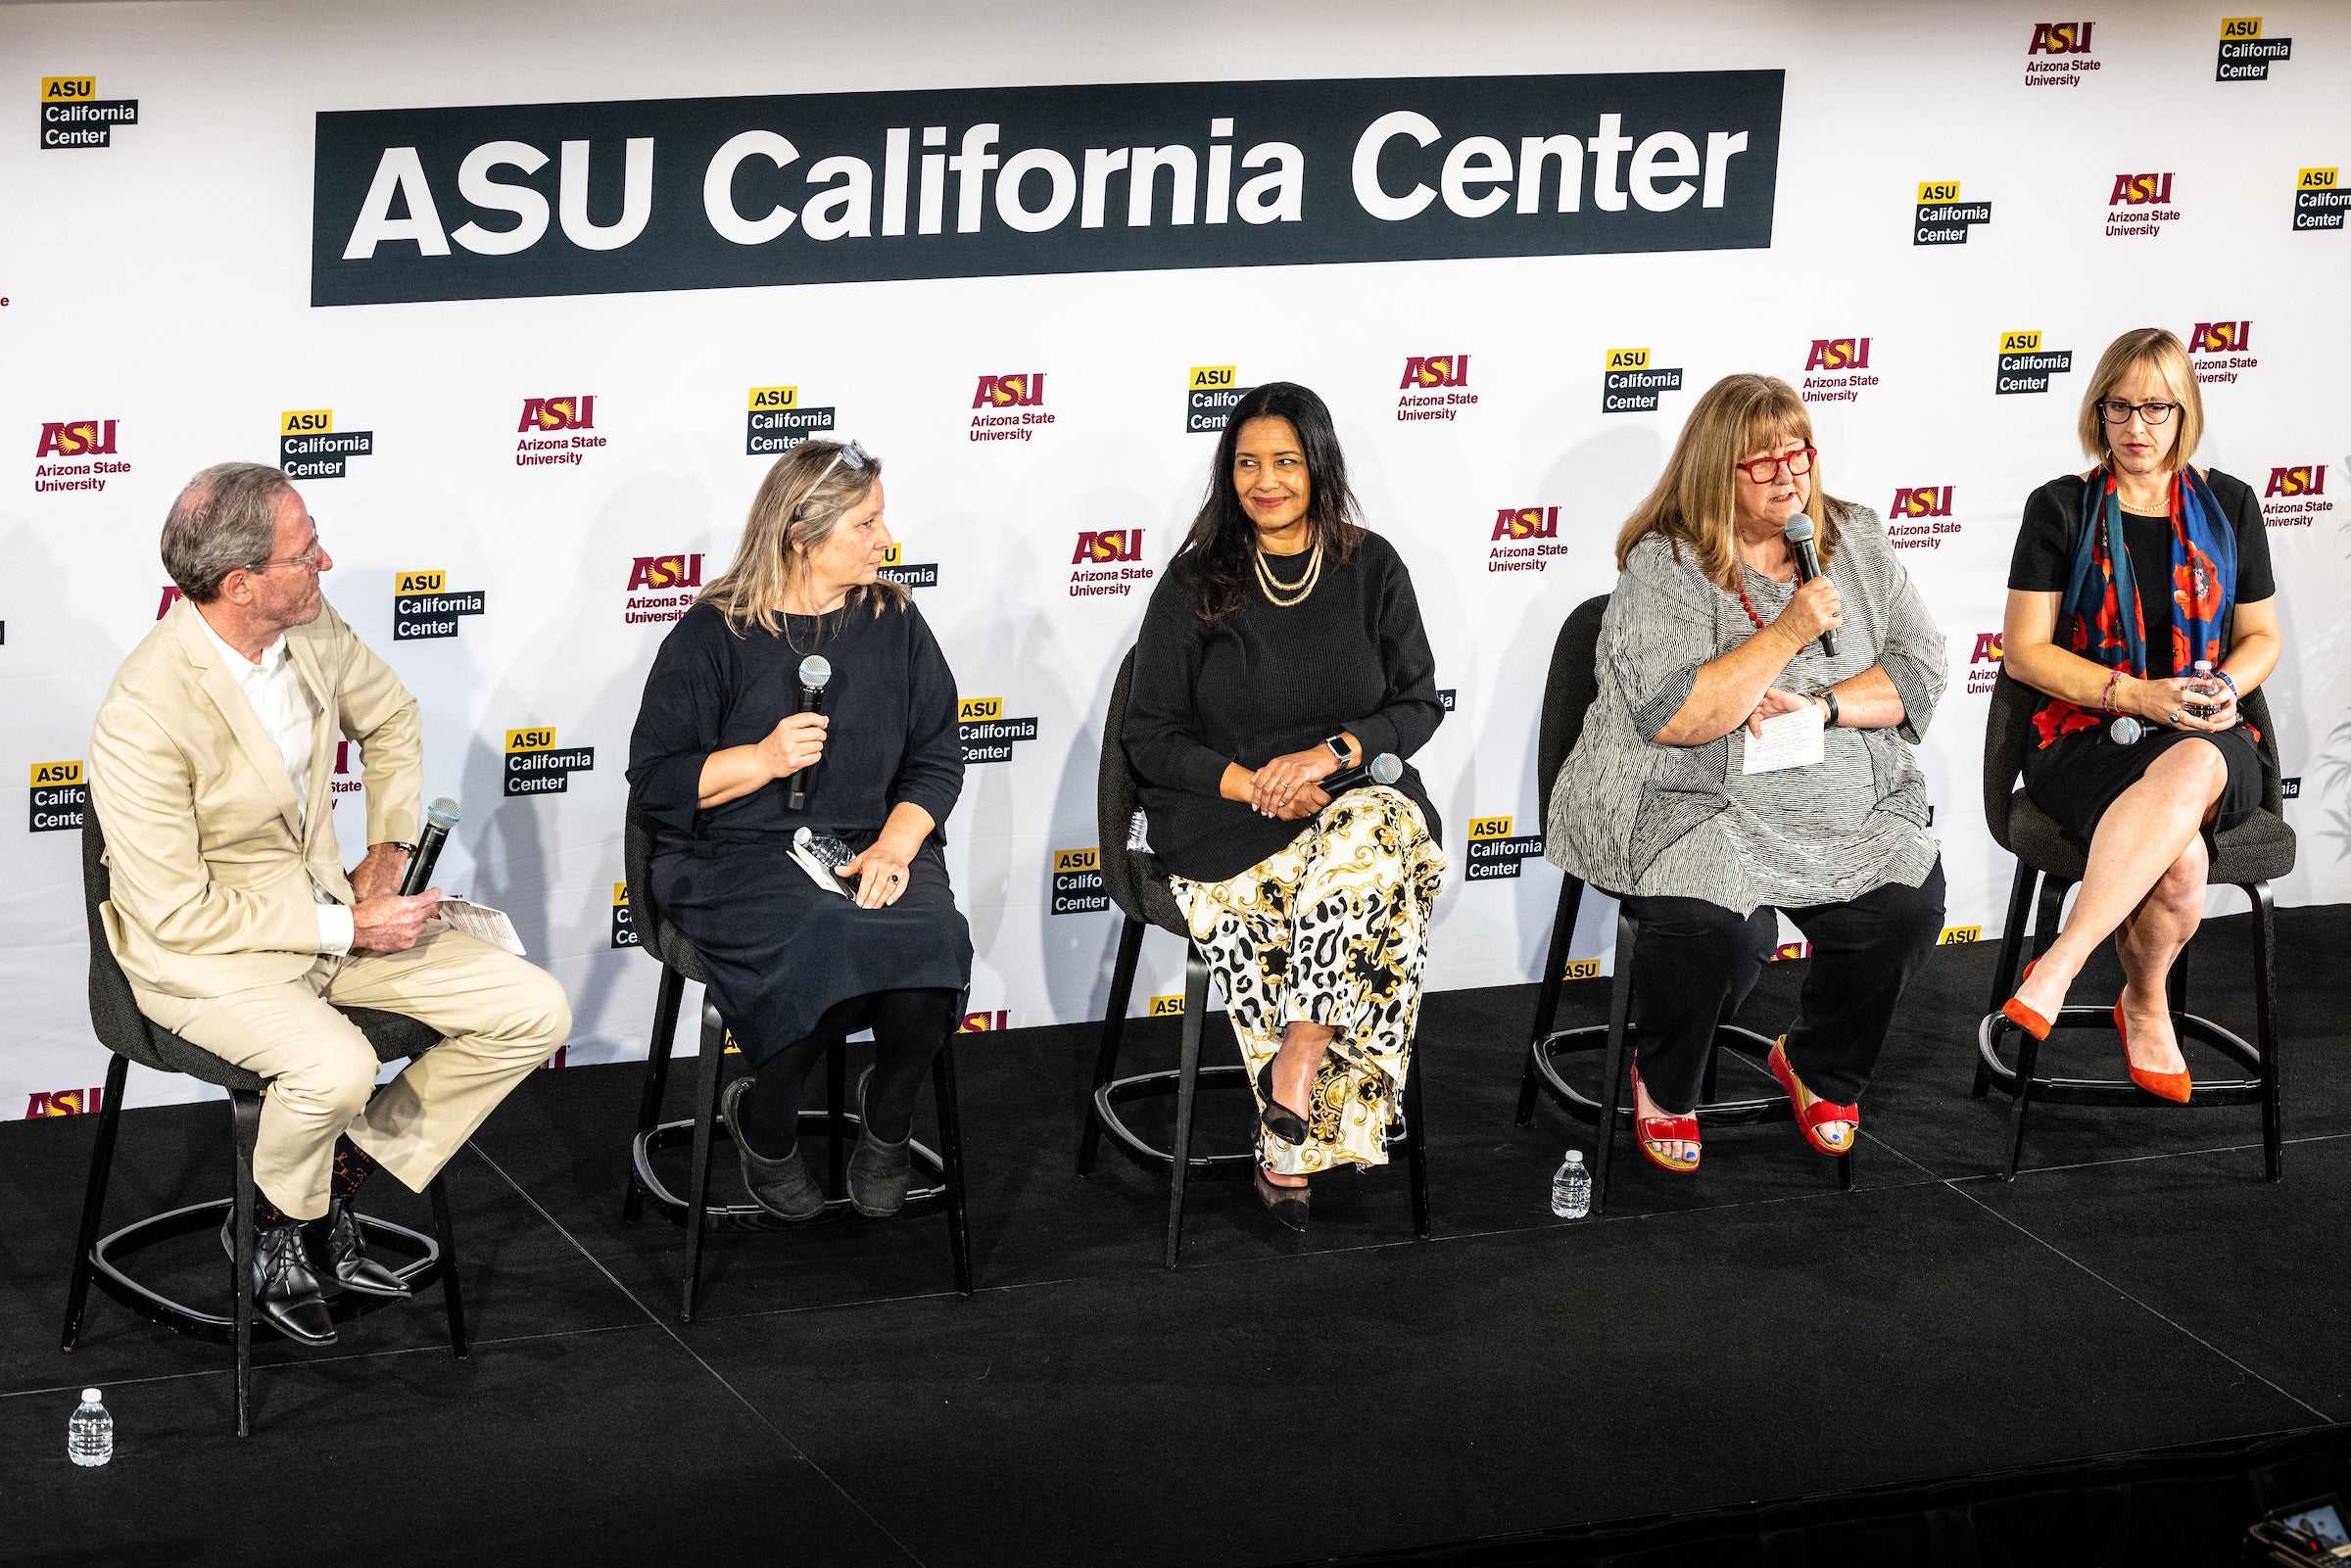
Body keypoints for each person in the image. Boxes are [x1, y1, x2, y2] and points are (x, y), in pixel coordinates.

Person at [88, 463, 572, 1347]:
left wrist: (385, 851)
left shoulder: (308, 624)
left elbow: (390, 718)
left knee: (532, 1006)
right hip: (201, 959)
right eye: (305, 550)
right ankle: (286, 1234)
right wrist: (349, 924)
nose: (326, 558)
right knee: (338, 1066)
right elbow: (176, 912)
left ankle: (317, 1188)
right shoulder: (142, 713)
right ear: (241, 584)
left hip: (327, 918)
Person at [1544, 375, 1947, 1173]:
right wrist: (1789, 629)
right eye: (1759, 463)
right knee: (1719, 928)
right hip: (1689, 793)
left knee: (1906, 901)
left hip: (1837, 796)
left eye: (1797, 453)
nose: (1787, 475)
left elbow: (1921, 668)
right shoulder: (1666, 562)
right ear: (1713, 470)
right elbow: (1676, 713)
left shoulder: (1856, 538)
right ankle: (1665, 1082)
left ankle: (1819, 1064)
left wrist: (1823, 706)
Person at [1123, 382, 1446, 1230]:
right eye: (1247, 464)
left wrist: (1332, 754)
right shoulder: (1196, 582)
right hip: (1231, 816)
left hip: (1352, 799)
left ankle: (1298, 1054)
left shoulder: (1372, 566)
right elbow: (1150, 735)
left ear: (1320, 466)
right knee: (1375, 890)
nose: (1265, 481)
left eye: (1286, 463)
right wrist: (1255, 780)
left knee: (1375, 831)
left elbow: (1417, 703)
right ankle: (1292, 1128)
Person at [628, 439, 970, 1222]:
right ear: (799, 532)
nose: (884, 539)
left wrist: (896, 844)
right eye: (866, 523)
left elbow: (938, 755)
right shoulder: (712, 633)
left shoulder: (894, 620)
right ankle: (767, 1124)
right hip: (732, 854)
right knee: (822, 933)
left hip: (867, 843)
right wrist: (760, 757)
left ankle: (885, 1120)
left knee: (933, 941)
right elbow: (657, 778)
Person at [1997, 328, 2281, 1100]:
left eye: (2156, 407)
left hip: (2211, 738)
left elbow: (2263, 636)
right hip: (2092, 736)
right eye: (2119, 405)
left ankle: (2059, 961)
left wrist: (2227, 682)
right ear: (2099, 410)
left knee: (2196, 756)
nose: (2137, 426)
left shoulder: (2229, 505)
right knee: (2182, 858)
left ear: (2183, 411)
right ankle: (2145, 1002)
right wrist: (2135, 693)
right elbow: (2024, 652)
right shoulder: (2062, 507)